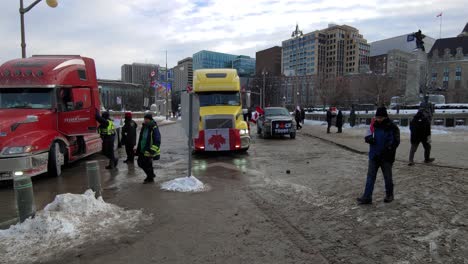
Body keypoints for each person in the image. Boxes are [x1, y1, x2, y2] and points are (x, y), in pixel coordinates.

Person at [357, 107, 400, 204]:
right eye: (377, 117)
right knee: (370, 176)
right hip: (374, 155)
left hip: (386, 157)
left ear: (385, 117)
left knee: (387, 177)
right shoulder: (374, 125)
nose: (378, 119)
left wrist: (388, 149)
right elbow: (368, 134)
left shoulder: (392, 127)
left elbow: (395, 142)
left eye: (380, 117)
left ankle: (389, 195)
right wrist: (368, 139)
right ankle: (367, 197)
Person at [136, 113, 161, 184]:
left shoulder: (153, 127)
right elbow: (142, 138)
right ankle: (150, 175)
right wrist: (138, 148)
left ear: (150, 119)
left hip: (149, 150)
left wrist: (153, 150)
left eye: (146, 119)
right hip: (143, 149)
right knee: (141, 163)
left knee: (146, 164)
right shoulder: (145, 127)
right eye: (144, 119)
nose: (145, 120)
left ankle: (150, 178)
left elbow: (157, 139)